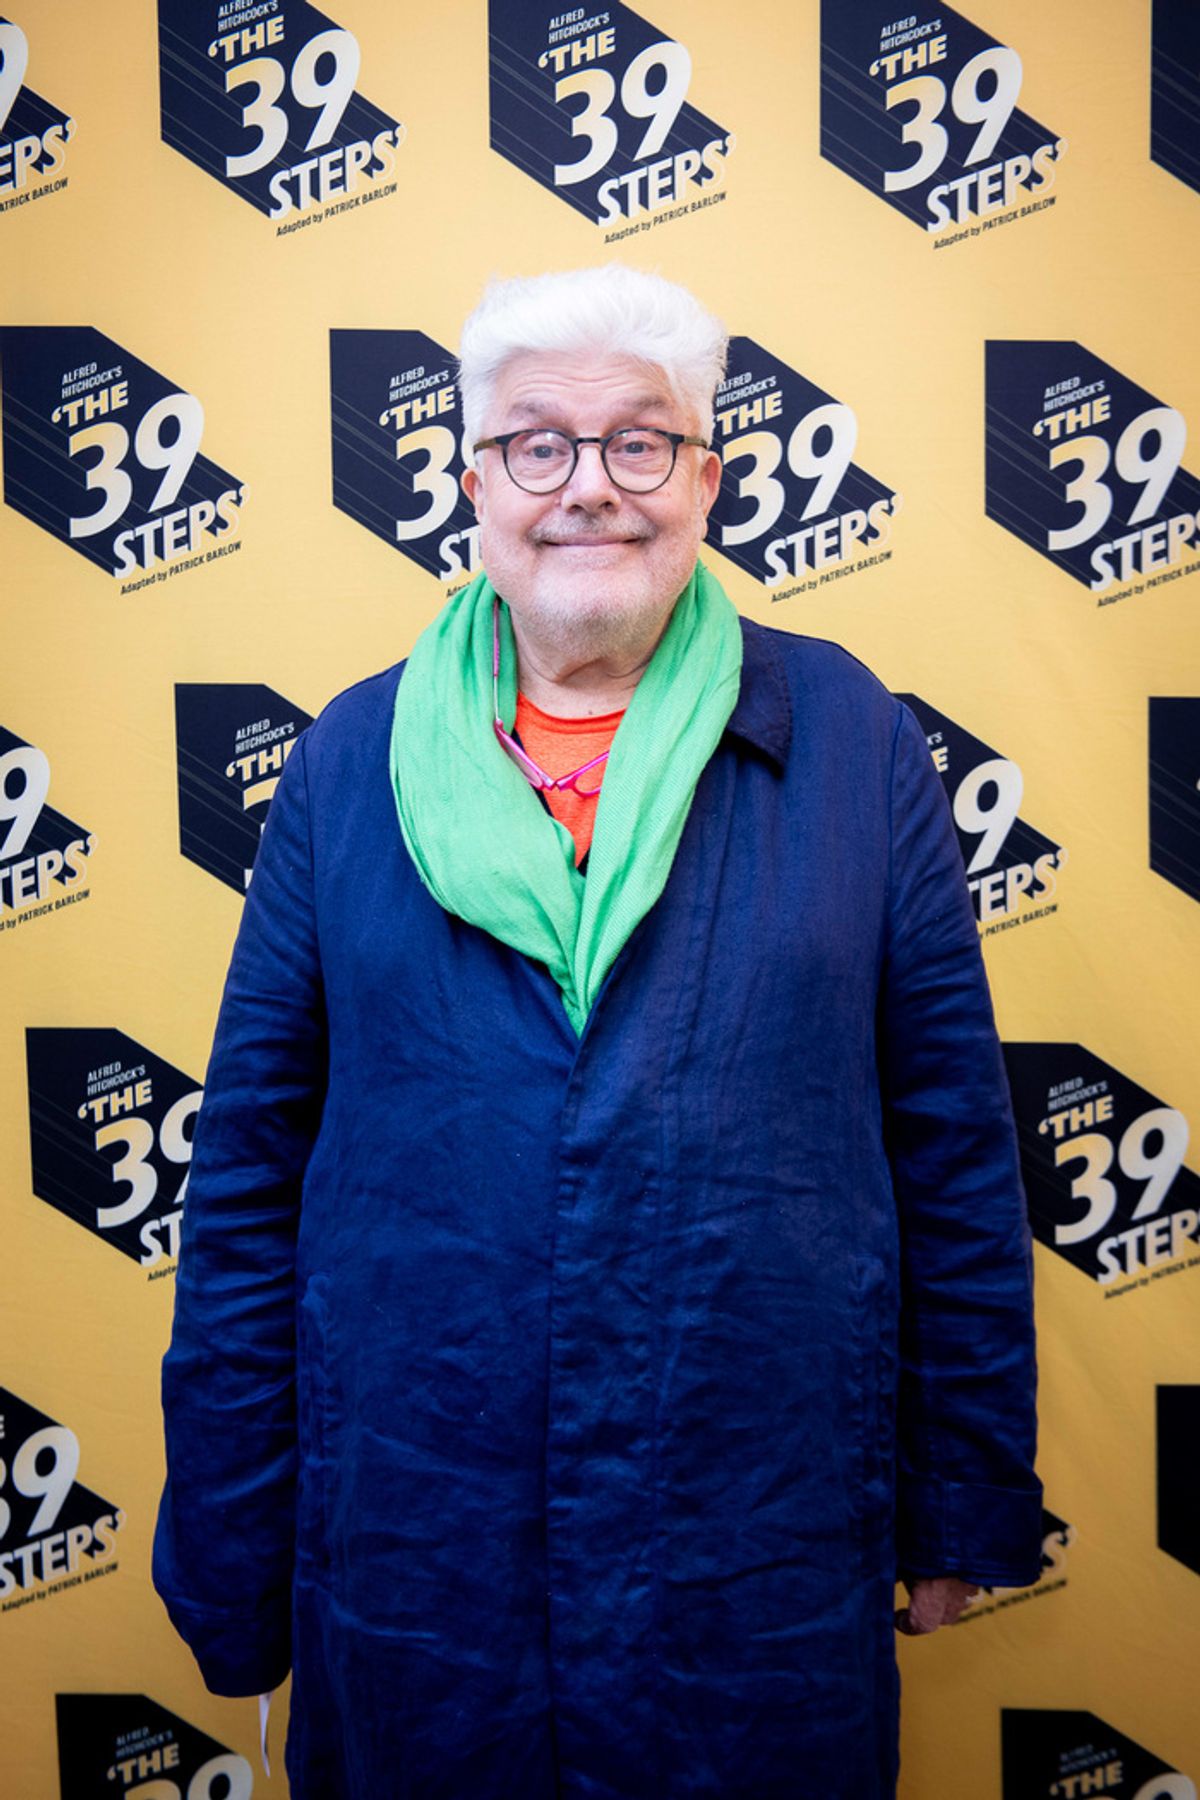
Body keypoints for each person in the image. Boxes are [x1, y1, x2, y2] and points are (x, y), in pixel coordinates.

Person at [153, 265, 1042, 1800]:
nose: (589, 488)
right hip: (421, 1549)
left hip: (754, 1549)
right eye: (537, 445)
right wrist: (234, 1554)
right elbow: (245, 1180)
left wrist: (958, 1499)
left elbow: (952, 1148)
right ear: (474, 486)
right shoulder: (351, 760)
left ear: (706, 481)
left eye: (640, 441)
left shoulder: (850, 738)